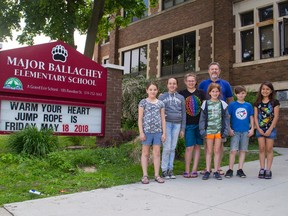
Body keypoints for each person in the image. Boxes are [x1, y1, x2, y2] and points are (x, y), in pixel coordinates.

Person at [198, 62, 233, 175]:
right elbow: (198, 98)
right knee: (208, 147)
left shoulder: (225, 84)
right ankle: (207, 168)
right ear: (209, 71)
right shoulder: (203, 84)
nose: (214, 71)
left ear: (219, 71)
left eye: (216, 69)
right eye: (212, 69)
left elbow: (230, 100)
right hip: (208, 122)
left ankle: (217, 168)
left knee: (219, 146)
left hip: (220, 122)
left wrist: (228, 119)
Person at [199, 83, 230, 180]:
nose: (215, 93)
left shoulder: (223, 104)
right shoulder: (206, 104)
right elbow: (202, 118)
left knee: (217, 151)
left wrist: (225, 131)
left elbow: (226, 118)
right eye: (213, 91)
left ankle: (216, 170)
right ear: (209, 92)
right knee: (209, 151)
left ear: (219, 92)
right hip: (209, 131)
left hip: (218, 131)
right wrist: (202, 130)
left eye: (217, 91)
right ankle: (208, 170)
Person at [138, 82, 166, 184]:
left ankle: (157, 175)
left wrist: (164, 133)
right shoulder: (143, 102)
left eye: (154, 89)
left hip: (158, 132)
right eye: (150, 89)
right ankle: (145, 175)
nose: (152, 91)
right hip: (146, 132)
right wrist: (141, 132)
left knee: (157, 153)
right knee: (145, 153)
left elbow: (163, 119)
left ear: (157, 91)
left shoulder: (160, 103)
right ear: (147, 90)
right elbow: (140, 119)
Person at [179, 73, 206, 178]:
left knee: (198, 146)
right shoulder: (181, 94)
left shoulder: (201, 93)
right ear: (185, 82)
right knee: (189, 147)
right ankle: (187, 169)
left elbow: (205, 109)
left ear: (195, 81)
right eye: (189, 80)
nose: (191, 82)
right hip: (188, 124)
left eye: (192, 80)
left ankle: (194, 170)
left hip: (199, 124)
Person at [225, 86, 254, 178]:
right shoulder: (232, 105)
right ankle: (230, 169)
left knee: (242, 150)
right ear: (235, 94)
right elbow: (228, 117)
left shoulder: (248, 105)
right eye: (238, 93)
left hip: (245, 131)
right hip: (235, 131)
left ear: (245, 93)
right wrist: (229, 128)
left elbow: (251, 117)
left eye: (242, 93)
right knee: (233, 150)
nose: (241, 95)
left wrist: (252, 129)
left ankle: (240, 169)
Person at [159, 78, 186, 179]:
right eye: (170, 83)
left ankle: (170, 170)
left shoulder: (181, 98)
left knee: (173, 147)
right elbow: (159, 112)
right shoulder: (162, 97)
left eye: (174, 83)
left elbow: (183, 113)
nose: (172, 85)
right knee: (167, 148)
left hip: (177, 125)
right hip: (166, 124)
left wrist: (182, 129)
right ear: (167, 85)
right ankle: (164, 170)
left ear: (177, 85)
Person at [254, 81, 280, 179]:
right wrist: (258, 128)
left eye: (267, 89)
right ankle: (262, 168)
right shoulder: (257, 103)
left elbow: (276, 116)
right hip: (260, 129)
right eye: (263, 89)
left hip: (270, 129)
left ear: (271, 91)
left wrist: (270, 129)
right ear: (261, 90)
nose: (265, 91)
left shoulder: (274, 102)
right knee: (261, 148)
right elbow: (256, 117)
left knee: (269, 149)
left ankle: (268, 169)